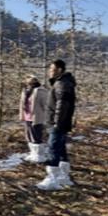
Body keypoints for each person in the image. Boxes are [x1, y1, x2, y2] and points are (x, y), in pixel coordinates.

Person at [37, 59, 76, 191]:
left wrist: (56, 124)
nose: (49, 71)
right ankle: (64, 176)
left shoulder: (62, 84)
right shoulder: (63, 83)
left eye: (52, 69)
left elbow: (62, 105)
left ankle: (52, 178)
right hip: (61, 123)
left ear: (59, 70)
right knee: (60, 148)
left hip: (58, 123)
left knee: (53, 148)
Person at [18, 75, 48, 163]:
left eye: (31, 81)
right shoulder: (25, 91)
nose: (29, 83)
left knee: (36, 136)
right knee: (29, 136)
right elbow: (22, 104)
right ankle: (33, 154)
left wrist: (47, 117)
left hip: (37, 117)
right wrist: (21, 115)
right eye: (27, 81)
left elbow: (46, 105)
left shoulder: (41, 91)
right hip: (27, 117)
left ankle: (39, 156)